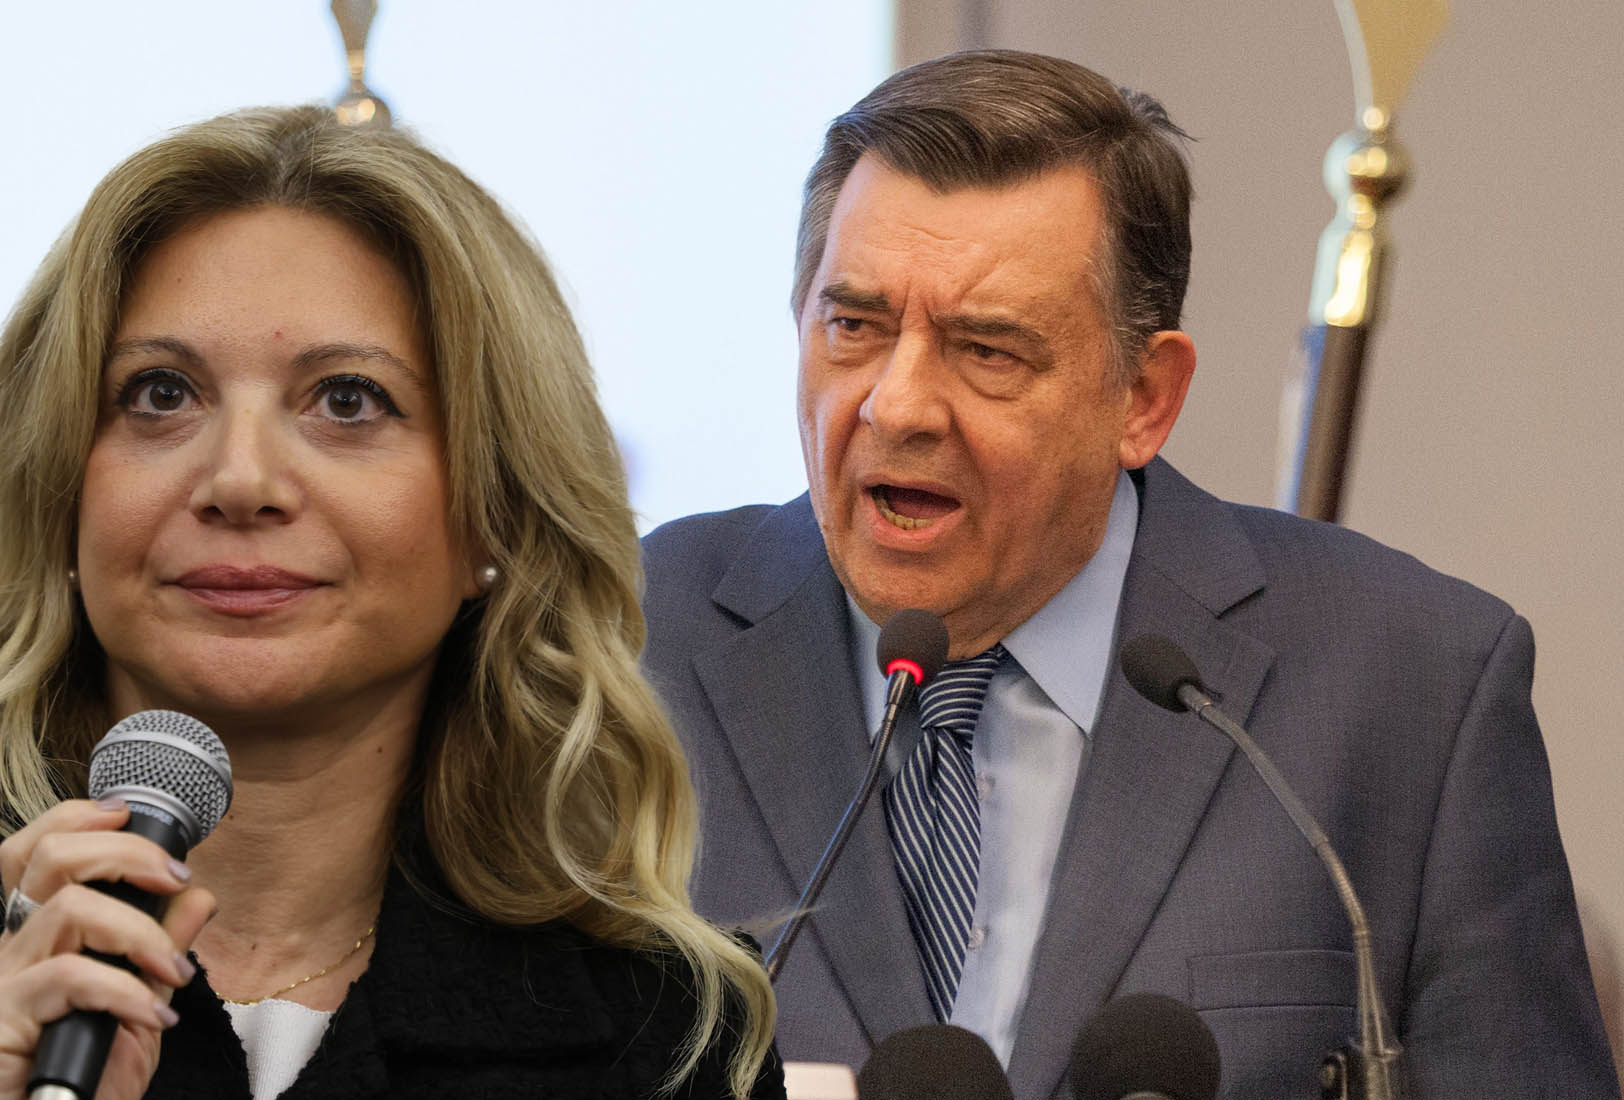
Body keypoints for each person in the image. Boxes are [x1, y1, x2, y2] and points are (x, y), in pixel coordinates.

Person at [0, 105, 780, 1100]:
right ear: (63, 487)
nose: (240, 480)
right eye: (160, 394)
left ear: (492, 516)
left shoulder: (667, 1035)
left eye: (348, 401)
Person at [639, 49, 1619, 1099]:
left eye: (988, 350)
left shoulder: (1414, 688)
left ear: (1145, 398)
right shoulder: (625, 642)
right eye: (854, 326)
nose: (898, 405)